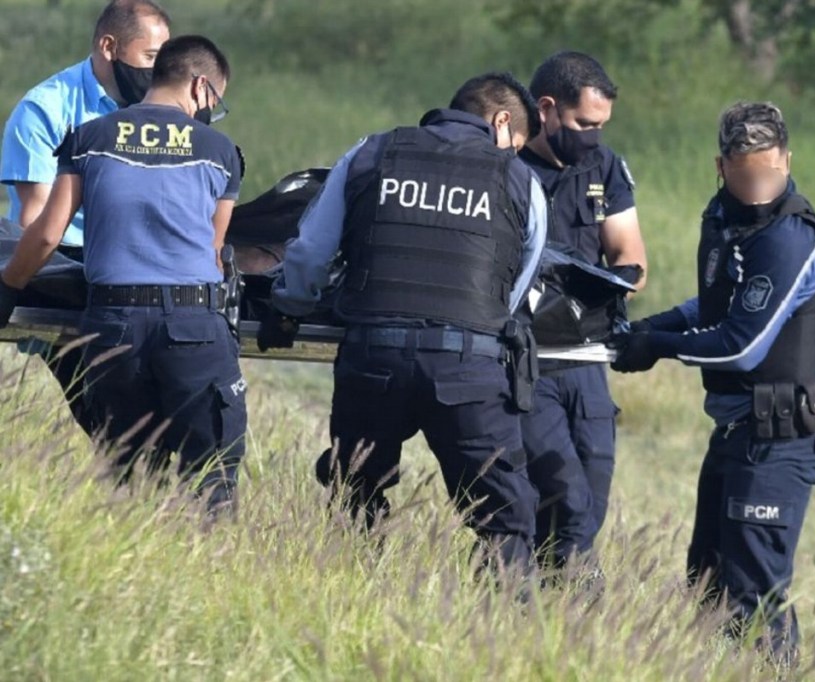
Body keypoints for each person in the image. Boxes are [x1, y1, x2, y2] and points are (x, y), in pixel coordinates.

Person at [257, 72, 548, 569]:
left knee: (355, 494)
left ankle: (345, 600)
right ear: (501, 122)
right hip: (469, 372)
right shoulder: (520, 179)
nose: (512, 154)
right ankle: (497, 632)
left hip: (374, 359)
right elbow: (519, 283)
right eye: (516, 144)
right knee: (506, 518)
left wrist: (289, 308)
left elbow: (311, 254)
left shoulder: (372, 152)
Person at [611, 101, 815, 663]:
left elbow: (741, 347)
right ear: (721, 167)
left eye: (770, 171)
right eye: (744, 175)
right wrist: (653, 325)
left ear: (788, 159)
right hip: (741, 430)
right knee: (708, 583)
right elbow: (714, 303)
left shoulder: (789, 236)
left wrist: (657, 348)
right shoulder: (724, 216)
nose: (759, 185)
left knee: (751, 598)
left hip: (783, 434)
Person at [0, 35, 246, 513]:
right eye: (215, 99)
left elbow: (48, 234)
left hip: (113, 324)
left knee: (129, 472)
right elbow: (214, 252)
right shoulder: (220, 151)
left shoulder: (90, 139)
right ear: (200, 87)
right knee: (212, 477)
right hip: (193, 325)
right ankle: (203, 572)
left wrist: (8, 287)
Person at [0, 0, 171, 431]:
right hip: (64, 267)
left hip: (139, 265)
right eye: (150, 58)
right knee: (112, 424)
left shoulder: (162, 110)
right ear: (109, 46)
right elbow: (36, 225)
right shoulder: (45, 109)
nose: (158, 71)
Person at [517, 52, 647, 569]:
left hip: (588, 359)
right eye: (583, 124)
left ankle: (560, 608)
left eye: (601, 126)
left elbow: (631, 260)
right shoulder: (505, 165)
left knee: (590, 501)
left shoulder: (605, 167)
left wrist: (591, 292)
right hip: (528, 360)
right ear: (546, 109)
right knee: (559, 497)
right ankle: (530, 597)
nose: (592, 135)